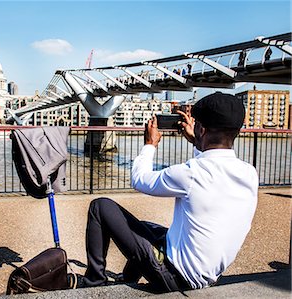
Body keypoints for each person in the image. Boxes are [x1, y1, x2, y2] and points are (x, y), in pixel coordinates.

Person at [82, 92, 259, 292]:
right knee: (148, 228)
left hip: (175, 276)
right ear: (236, 131)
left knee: (100, 207)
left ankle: (93, 283)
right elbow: (211, 164)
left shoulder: (191, 174)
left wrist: (150, 144)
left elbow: (140, 180)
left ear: (201, 129)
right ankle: (128, 279)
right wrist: (196, 142)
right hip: (207, 275)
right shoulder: (249, 173)